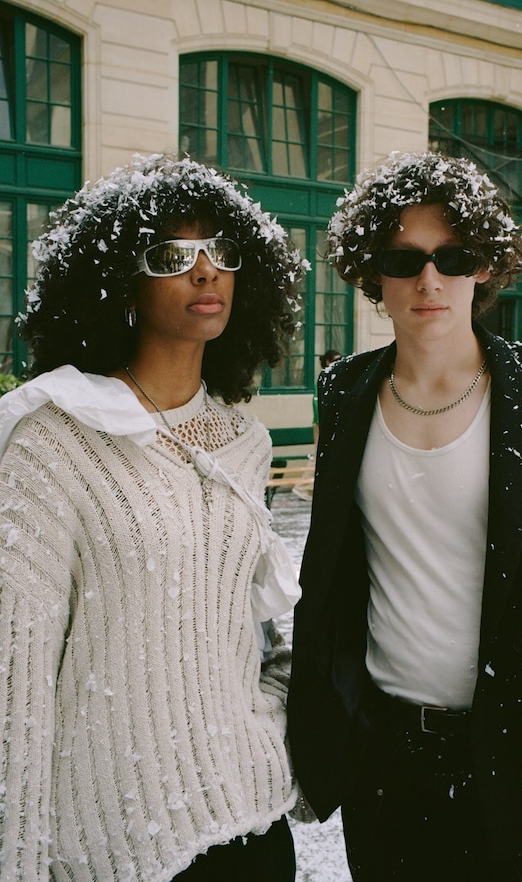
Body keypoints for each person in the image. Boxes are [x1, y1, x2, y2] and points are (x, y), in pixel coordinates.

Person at [287, 151, 522, 881]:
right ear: (373, 273)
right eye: (404, 259)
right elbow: (334, 578)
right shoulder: (345, 390)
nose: (429, 279)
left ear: (483, 266)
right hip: (385, 762)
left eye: (453, 256)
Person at [0, 154, 308, 881]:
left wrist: (268, 731)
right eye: (172, 256)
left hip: (253, 829)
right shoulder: (55, 437)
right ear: (120, 286)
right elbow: (17, 679)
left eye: (221, 253)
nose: (205, 272)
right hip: (114, 845)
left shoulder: (245, 443)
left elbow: (251, 625)